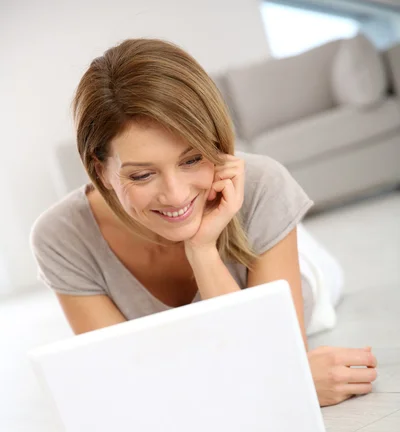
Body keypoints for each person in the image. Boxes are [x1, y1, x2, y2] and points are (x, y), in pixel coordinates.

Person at [30, 38, 377, 407]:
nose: (176, 194)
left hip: (266, 237)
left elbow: (269, 351)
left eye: (192, 159)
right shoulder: (61, 237)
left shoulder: (263, 185)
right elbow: (127, 384)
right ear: (101, 171)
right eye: (143, 176)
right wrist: (292, 379)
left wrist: (202, 250)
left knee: (294, 257)